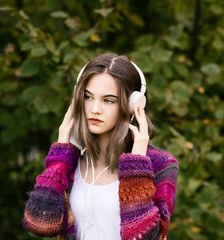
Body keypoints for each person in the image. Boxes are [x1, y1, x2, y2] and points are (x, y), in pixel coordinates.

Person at [22, 53, 179, 240]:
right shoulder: (70, 162)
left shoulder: (161, 165)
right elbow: (39, 224)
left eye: (108, 100)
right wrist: (61, 151)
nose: (95, 109)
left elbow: (149, 237)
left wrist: (137, 165)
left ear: (132, 105)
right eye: (88, 97)